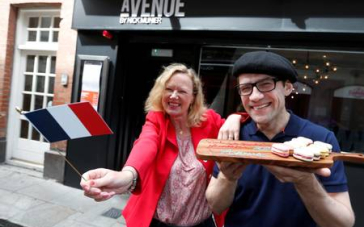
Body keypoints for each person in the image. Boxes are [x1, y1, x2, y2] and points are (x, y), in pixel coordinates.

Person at [80, 63, 245, 227]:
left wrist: (236, 117)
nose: (173, 95)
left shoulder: (209, 120)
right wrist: (127, 175)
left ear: (193, 97)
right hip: (158, 222)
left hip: (201, 223)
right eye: (169, 89)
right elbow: (146, 144)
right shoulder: (156, 119)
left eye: (181, 91)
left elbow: (250, 125)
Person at [205, 51, 355, 227]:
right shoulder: (233, 136)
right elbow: (215, 206)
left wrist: (305, 182)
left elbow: (343, 223)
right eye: (246, 88)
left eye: (266, 84)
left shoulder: (320, 139)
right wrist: (227, 178)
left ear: (287, 87)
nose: (254, 96)